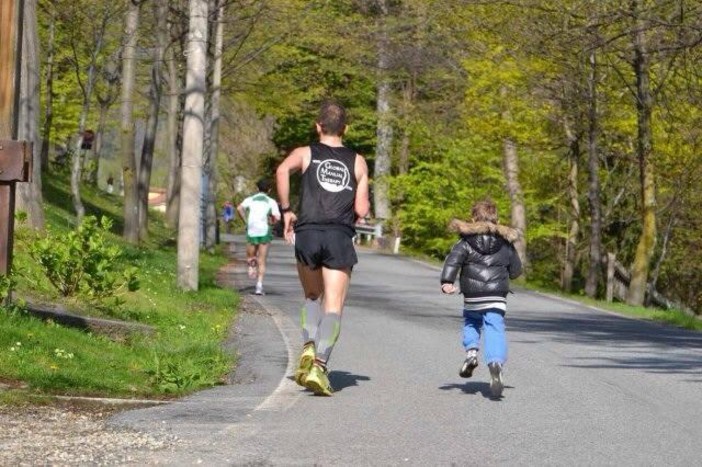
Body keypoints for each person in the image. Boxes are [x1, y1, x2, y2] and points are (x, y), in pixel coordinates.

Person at [275, 100, 370, 396]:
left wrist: (287, 209)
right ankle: (319, 364)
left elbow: (281, 171)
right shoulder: (358, 161)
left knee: (312, 296)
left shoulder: (304, 153)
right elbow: (362, 209)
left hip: (308, 233)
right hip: (338, 236)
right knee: (334, 306)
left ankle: (307, 345)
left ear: (318, 126)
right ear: (345, 129)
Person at [440, 198, 522, 398]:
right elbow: (516, 271)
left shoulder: (465, 242)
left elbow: (453, 261)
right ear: (497, 219)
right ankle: (495, 362)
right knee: (495, 327)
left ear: (473, 218)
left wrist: (447, 281)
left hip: (473, 294)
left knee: (471, 322)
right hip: (496, 295)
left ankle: (471, 354)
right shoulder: (506, 243)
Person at [237, 179, 281, 295]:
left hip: (252, 230)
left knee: (251, 255)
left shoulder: (250, 199)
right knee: (262, 260)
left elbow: (239, 208)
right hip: (264, 231)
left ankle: (251, 265)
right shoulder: (271, 201)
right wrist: (272, 222)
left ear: (257, 189)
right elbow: (277, 217)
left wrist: (245, 221)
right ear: (269, 190)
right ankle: (259, 287)